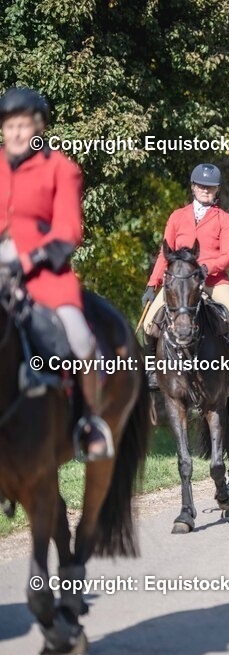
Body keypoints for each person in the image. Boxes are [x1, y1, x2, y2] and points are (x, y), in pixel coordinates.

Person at [0, 87, 113, 460]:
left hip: (46, 275)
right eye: (8, 126)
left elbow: (68, 232)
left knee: (81, 340)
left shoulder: (61, 169)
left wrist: (27, 260)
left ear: (39, 127)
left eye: (23, 125)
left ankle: (88, 422)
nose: (15, 133)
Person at [141, 163, 229, 390]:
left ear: (217, 190)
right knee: (148, 324)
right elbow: (165, 255)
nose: (205, 190)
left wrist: (205, 267)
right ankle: (152, 370)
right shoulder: (177, 216)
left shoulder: (224, 218)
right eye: (201, 186)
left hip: (214, 282)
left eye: (210, 187)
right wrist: (152, 285)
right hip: (179, 283)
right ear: (193, 187)